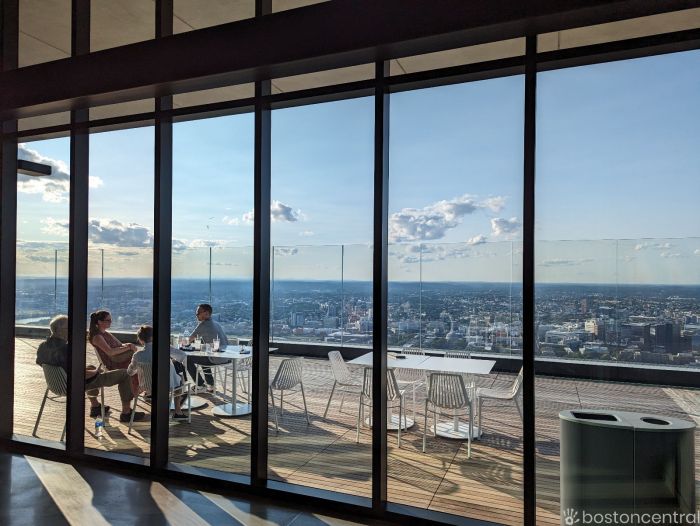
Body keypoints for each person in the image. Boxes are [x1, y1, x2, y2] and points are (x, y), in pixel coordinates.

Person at [36, 314, 145, 423]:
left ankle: (95, 407)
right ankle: (126, 413)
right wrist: (94, 373)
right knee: (125, 374)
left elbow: (41, 363)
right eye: (69, 327)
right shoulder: (66, 349)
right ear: (59, 330)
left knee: (91, 367)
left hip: (55, 384)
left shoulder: (42, 347)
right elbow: (79, 373)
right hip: (73, 385)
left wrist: (60, 374)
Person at [127, 325, 188, 421]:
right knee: (179, 380)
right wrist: (173, 360)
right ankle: (177, 411)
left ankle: (150, 396)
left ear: (140, 339)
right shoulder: (163, 348)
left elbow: (130, 372)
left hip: (147, 387)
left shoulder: (137, 355)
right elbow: (183, 355)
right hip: (167, 387)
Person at [88, 310, 139, 394]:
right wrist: (129, 347)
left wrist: (129, 344)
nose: (110, 322)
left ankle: (143, 389)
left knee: (143, 363)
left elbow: (120, 344)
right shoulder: (97, 337)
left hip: (119, 360)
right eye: (108, 320)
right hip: (114, 364)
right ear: (99, 322)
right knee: (142, 365)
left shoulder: (106, 333)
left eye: (110, 320)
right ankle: (140, 389)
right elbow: (110, 352)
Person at [186, 303, 229, 390]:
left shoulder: (203, 325)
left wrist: (181, 343)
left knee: (187, 358)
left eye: (198, 312)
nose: (196, 314)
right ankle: (210, 385)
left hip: (216, 358)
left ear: (207, 313)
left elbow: (188, 340)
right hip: (226, 357)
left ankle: (200, 385)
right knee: (204, 357)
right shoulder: (217, 324)